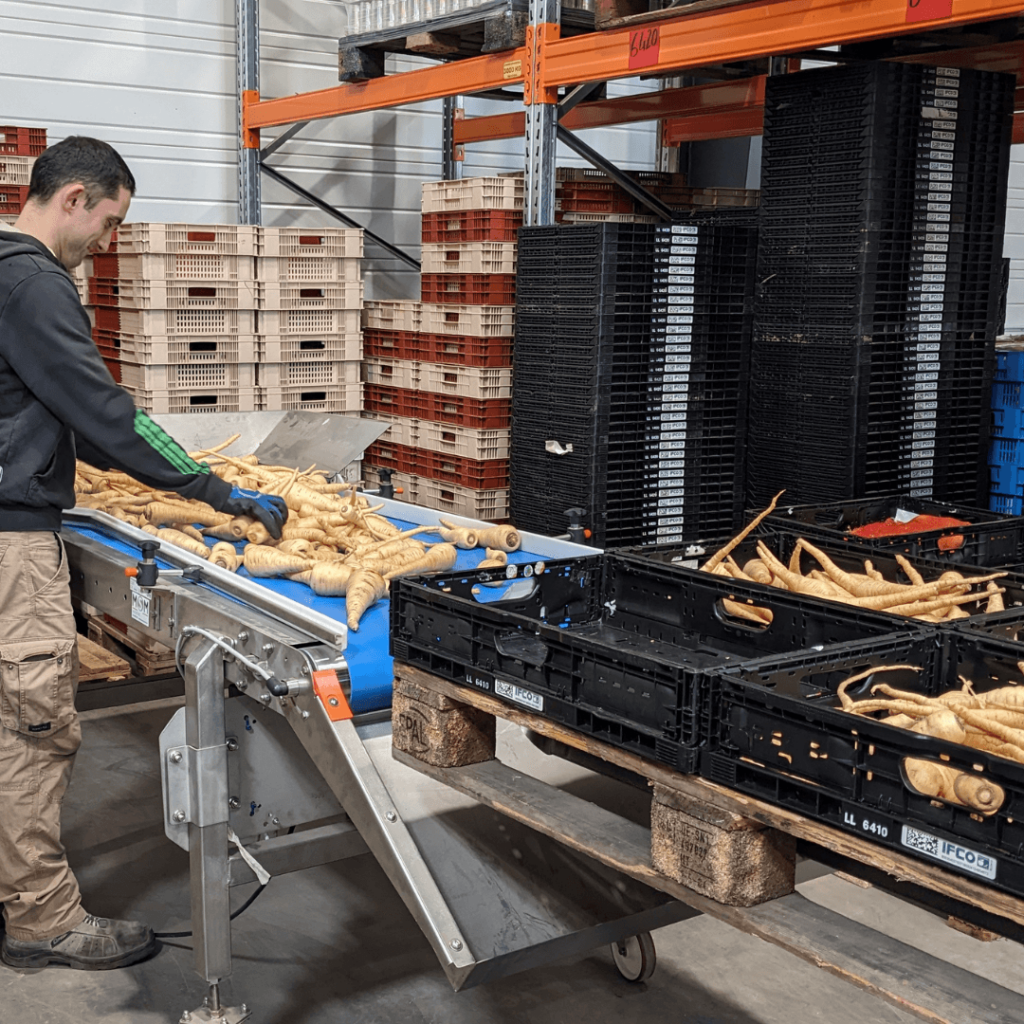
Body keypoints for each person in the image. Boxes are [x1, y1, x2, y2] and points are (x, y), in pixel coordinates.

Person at [0, 137, 287, 971]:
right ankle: (42, 921)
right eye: (110, 220)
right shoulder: (34, 282)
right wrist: (210, 489)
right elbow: (103, 410)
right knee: (32, 729)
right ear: (75, 197)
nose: (108, 240)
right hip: (11, 546)